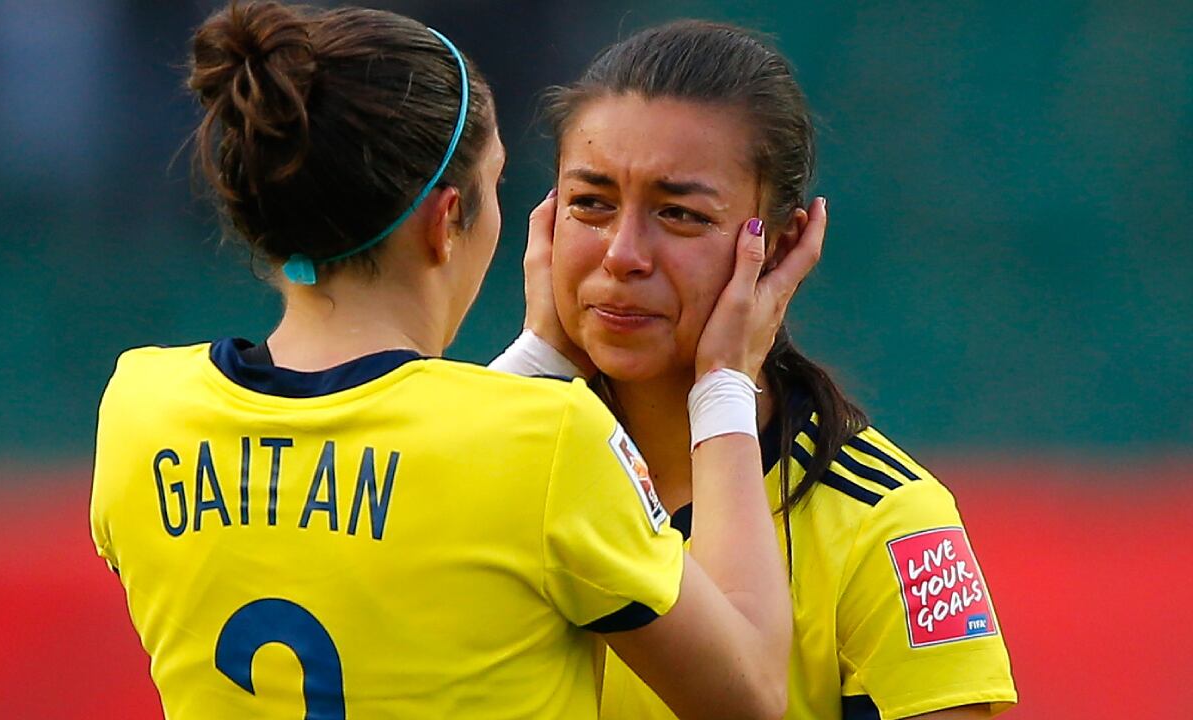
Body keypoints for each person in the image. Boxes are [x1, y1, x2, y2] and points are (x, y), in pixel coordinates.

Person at [90, 3, 821, 718]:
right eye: (495, 184)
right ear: (445, 222)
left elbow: (383, 523)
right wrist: (725, 383)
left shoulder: (140, 410)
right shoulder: (549, 441)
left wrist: (536, 358)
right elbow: (752, 692)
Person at [500, 19, 1017, 720]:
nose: (622, 254)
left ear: (778, 246)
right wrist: (538, 356)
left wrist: (720, 388)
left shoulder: (884, 521)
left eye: (679, 214)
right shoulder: (494, 465)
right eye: (591, 204)